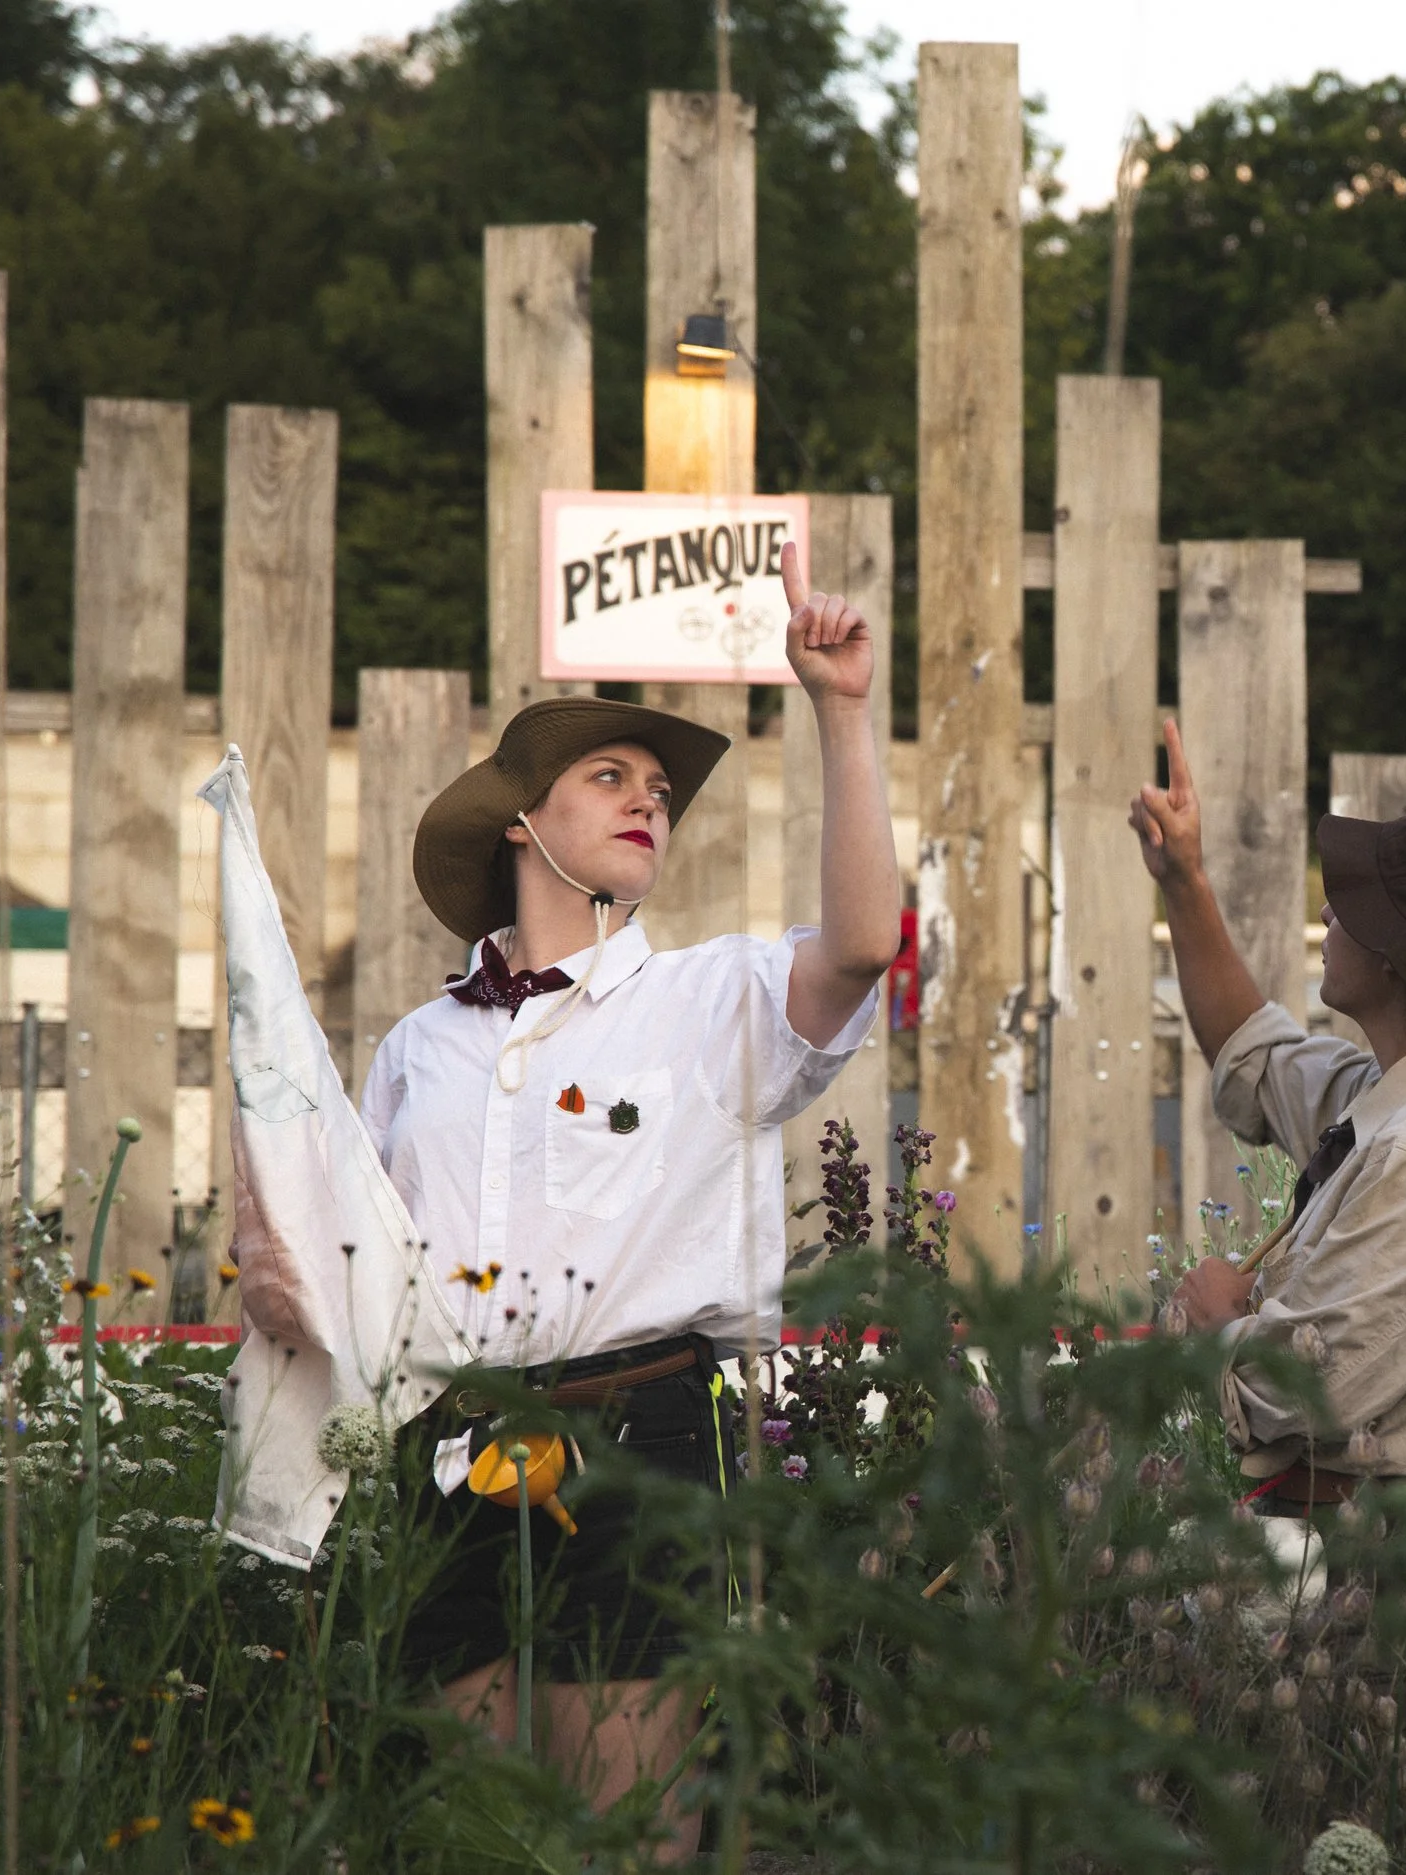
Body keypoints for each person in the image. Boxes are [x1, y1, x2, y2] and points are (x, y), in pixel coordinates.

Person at [359, 543, 897, 1858]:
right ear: (521, 821)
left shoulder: (711, 996)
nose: (649, 799)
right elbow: (368, 1264)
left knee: (628, 1831)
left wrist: (840, 709)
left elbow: (867, 943)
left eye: (660, 788)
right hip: (448, 1444)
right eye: (610, 776)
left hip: (648, 1431)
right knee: (472, 1828)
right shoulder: (415, 1047)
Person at [1130, 720, 1406, 1860]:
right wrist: (1183, 882)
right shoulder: (1393, 1099)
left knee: (1382, 1846)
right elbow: (1251, 1050)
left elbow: (1297, 1396)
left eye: (1357, 913)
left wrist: (1216, 1313)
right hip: (1350, 1559)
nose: (1333, 924)